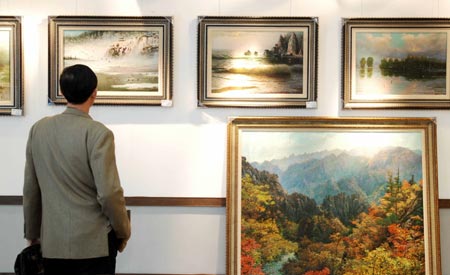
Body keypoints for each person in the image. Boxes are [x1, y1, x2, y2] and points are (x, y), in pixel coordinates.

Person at [23, 64, 131, 275]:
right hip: (94, 244)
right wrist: (123, 230)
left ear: (63, 92)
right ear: (94, 93)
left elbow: (31, 189)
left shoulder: (39, 129)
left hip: (53, 243)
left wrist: (32, 235)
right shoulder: (99, 133)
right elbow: (109, 193)